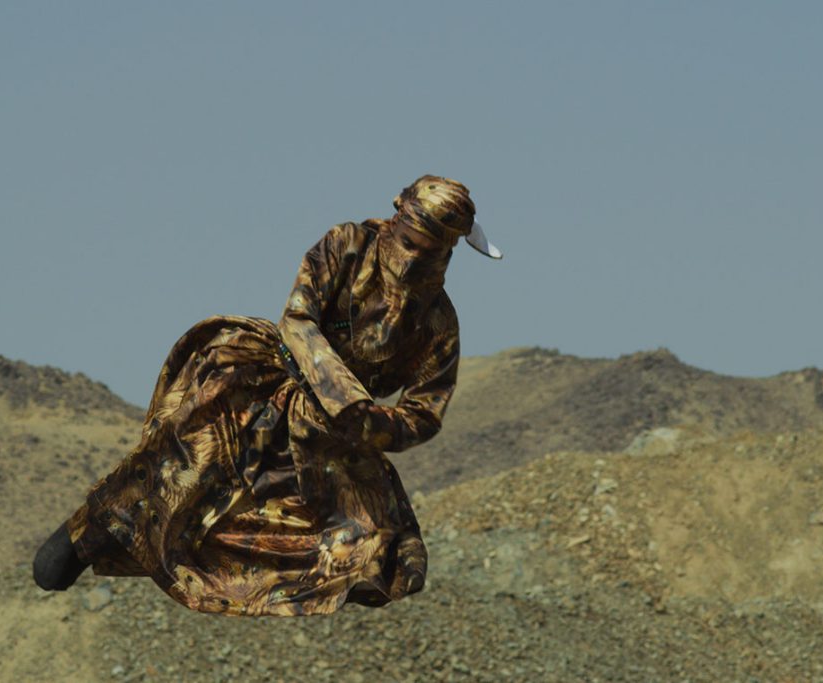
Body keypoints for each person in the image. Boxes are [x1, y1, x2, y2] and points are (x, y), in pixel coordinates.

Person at [32, 174, 502, 616]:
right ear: (396, 222)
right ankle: (87, 535)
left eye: (431, 252)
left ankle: (282, 582)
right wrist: (341, 394)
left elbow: (424, 411)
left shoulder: (439, 323)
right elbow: (299, 318)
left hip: (338, 436)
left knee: (383, 551)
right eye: (410, 244)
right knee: (184, 470)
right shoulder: (347, 245)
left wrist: (369, 425)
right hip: (261, 382)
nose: (415, 260)